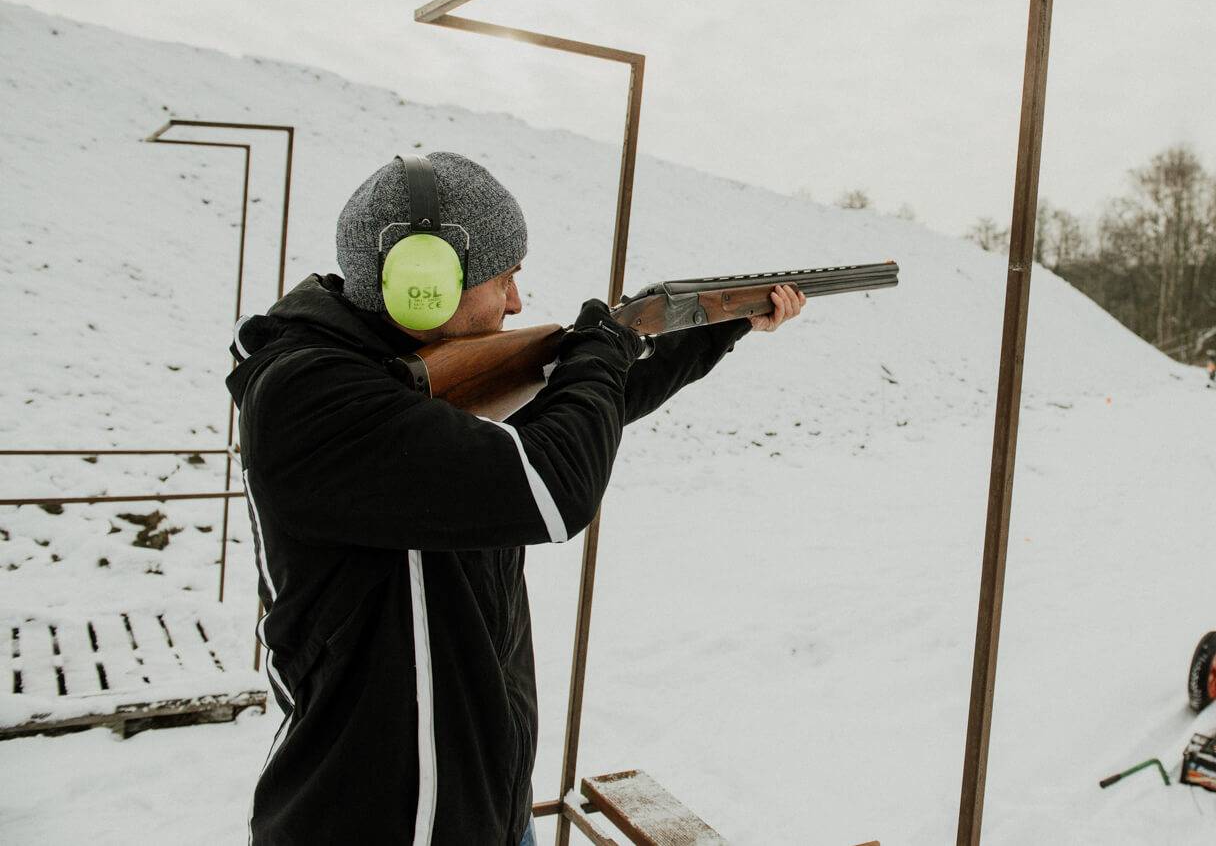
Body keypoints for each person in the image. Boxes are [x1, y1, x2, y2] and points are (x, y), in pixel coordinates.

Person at [226, 152, 803, 845]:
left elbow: (590, 409)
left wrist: (721, 325)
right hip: (376, 819)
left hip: (485, 808)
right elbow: (555, 486)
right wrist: (605, 344)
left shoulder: (411, 382)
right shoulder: (311, 395)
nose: (518, 302)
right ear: (423, 284)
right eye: (506, 277)